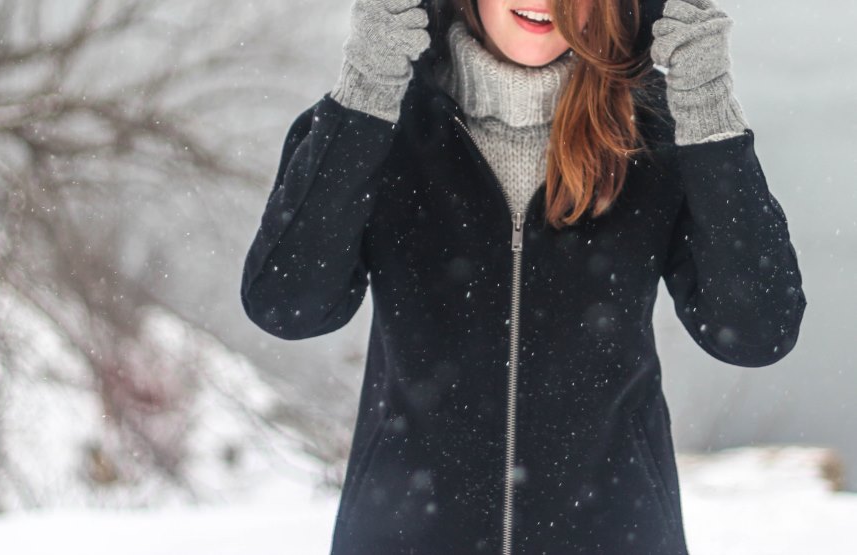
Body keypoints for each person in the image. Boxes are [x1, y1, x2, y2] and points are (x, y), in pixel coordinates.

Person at [240, 0, 807, 553]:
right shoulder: (377, 121)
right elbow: (288, 306)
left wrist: (707, 108)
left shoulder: (654, 133)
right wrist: (367, 86)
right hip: (403, 537)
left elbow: (757, 332)